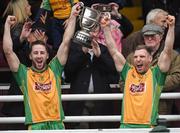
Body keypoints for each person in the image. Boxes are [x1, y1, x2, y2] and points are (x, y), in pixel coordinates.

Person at [2, 3, 80, 130]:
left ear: (48, 55)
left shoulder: (54, 69)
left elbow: (66, 41)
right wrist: (7, 25)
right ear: (30, 56)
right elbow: (8, 52)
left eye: (42, 53)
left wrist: (72, 16)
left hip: (57, 125)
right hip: (36, 126)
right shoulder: (24, 74)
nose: (39, 56)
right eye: (36, 53)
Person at [101, 11, 175, 128]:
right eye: (135, 57)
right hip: (125, 126)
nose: (138, 59)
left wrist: (171, 27)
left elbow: (167, 51)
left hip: (147, 126)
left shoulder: (156, 74)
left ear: (150, 59)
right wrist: (105, 28)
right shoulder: (128, 72)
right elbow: (114, 51)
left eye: (142, 57)